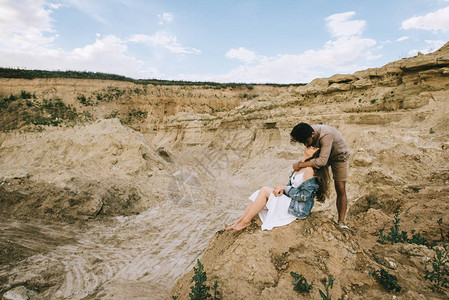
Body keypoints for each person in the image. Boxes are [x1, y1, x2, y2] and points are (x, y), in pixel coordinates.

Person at [226, 147, 330, 231]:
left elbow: (304, 196)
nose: (311, 146)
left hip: (299, 208)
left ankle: (246, 221)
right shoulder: (300, 167)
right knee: (257, 193)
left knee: (264, 190)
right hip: (293, 202)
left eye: (315, 148)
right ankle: (239, 221)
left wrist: (285, 188)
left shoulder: (309, 170)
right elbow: (291, 188)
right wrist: (283, 190)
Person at [290, 122, 350, 228]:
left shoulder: (326, 135)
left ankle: (341, 222)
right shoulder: (306, 132)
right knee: (308, 177)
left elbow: (322, 161)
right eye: (303, 143)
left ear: (313, 134)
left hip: (339, 156)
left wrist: (299, 165)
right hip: (321, 154)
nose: (306, 145)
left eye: (307, 142)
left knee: (340, 187)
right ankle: (300, 209)